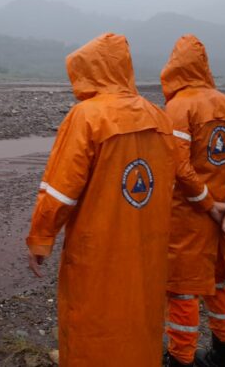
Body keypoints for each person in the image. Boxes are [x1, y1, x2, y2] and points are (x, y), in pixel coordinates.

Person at [26, 32, 177, 366]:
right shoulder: (158, 116)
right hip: (147, 246)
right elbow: (170, 182)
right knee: (142, 315)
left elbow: (60, 190)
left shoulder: (87, 116)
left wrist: (41, 238)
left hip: (99, 249)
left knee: (93, 319)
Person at [160, 35, 225, 367]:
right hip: (219, 217)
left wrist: (207, 203)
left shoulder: (178, 107)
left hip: (187, 217)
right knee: (218, 285)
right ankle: (223, 354)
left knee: (183, 290)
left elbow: (178, 165)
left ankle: (180, 358)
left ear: (174, 66)